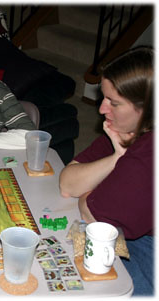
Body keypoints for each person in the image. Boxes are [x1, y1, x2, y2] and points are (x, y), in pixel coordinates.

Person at [59, 46, 153, 296]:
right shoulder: (125, 129)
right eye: (104, 97)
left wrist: (93, 192)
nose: (101, 109)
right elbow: (68, 182)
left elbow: (91, 212)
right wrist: (117, 157)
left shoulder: (148, 152)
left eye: (114, 102)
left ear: (146, 108)